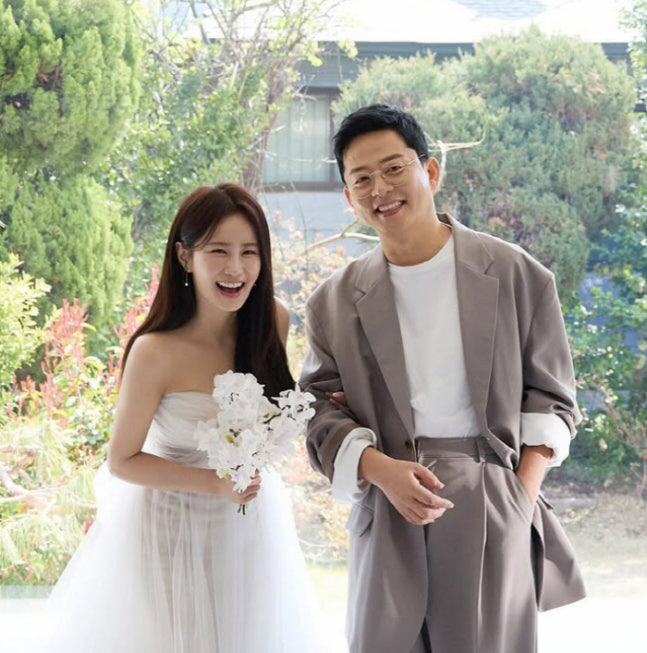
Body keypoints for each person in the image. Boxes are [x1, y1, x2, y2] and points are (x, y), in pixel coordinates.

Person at [300, 104, 586, 653]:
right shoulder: (332, 301)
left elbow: (552, 397)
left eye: (393, 168)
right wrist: (378, 469)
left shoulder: (516, 273)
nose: (380, 189)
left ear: (429, 171)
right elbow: (315, 408)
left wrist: (518, 498)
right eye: (362, 179)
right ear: (350, 199)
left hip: (490, 499)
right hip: (387, 501)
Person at [38, 183, 319, 653]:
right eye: (218, 251)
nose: (235, 268)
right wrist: (214, 483)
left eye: (249, 252)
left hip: (251, 521)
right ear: (185, 257)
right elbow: (122, 461)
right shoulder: (155, 351)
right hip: (170, 528)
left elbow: (273, 408)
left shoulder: (274, 319)